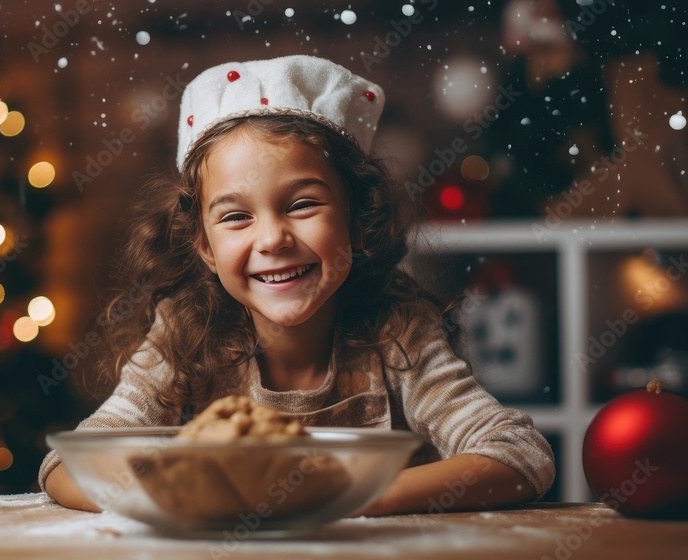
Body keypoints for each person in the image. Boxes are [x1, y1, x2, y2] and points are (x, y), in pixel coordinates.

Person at [40, 55, 555, 515]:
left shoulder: (400, 334)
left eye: (303, 204)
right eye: (236, 217)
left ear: (357, 219)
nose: (272, 239)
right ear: (203, 246)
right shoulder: (180, 335)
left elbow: (519, 455)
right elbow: (69, 465)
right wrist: (173, 500)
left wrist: (352, 498)